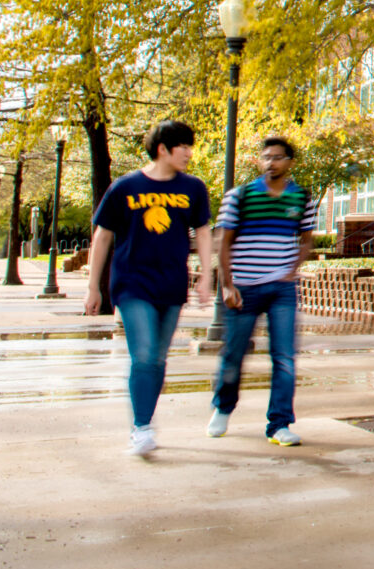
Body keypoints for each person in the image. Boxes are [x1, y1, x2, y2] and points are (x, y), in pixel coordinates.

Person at [85, 120, 213, 456]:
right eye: (183, 146)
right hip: (131, 282)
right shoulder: (125, 187)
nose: (188, 153)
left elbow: (202, 231)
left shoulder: (194, 188)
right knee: (143, 355)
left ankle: (144, 420)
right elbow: (102, 236)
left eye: (189, 146)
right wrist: (93, 288)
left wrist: (205, 277)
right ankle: (141, 428)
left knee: (156, 358)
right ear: (162, 149)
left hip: (170, 284)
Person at [208, 135, 318, 446]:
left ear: (289, 162)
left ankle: (279, 425)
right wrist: (227, 285)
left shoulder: (301, 198)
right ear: (260, 161)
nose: (271, 163)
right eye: (266, 157)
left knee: (284, 358)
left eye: (278, 157)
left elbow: (307, 237)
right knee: (234, 354)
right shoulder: (239, 196)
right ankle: (222, 407)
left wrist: (293, 269)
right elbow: (223, 242)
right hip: (244, 288)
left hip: (281, 290)